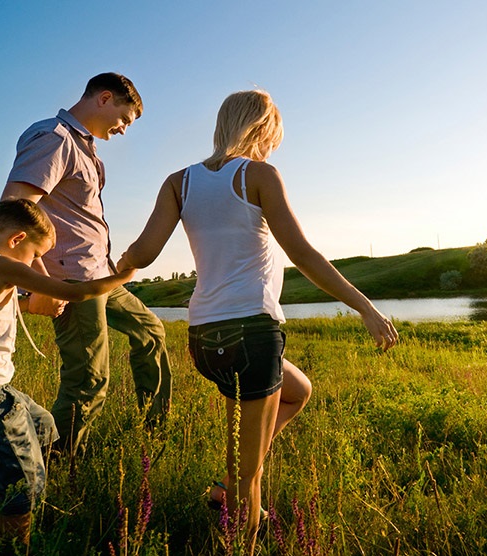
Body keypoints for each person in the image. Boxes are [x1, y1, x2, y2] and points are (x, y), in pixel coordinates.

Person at [117, 89, 399, 551]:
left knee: (299, 391)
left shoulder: (178, 182)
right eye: (274, 136)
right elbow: (304, 255)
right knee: (253, 473)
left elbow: (143, 254)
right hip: (251, 335)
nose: (273, 146)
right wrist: (366, 307)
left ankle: (226, 488)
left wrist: (109, 271)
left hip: (204, 338)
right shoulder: (259, 175)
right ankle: (241, 536)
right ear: (262, 129)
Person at [0, 199, 137, 545]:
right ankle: (7, 545)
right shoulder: (3, 266)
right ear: (17, 239)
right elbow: (77, 291)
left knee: (42, 424)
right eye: (36, 254)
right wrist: (125, 273)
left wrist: (25, 304)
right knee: (26, 482)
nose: (38, 264)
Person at [0, 72, 171, 454]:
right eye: (125, 119)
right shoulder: (54, 138)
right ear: (104, 98)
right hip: (71, 282)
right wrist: (39, 283)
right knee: (89, 382)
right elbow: (14, 209)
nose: (124, 129)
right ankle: (49, 467)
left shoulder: (85, 148)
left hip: (100, 275)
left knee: (152, 332)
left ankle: (156, 429)